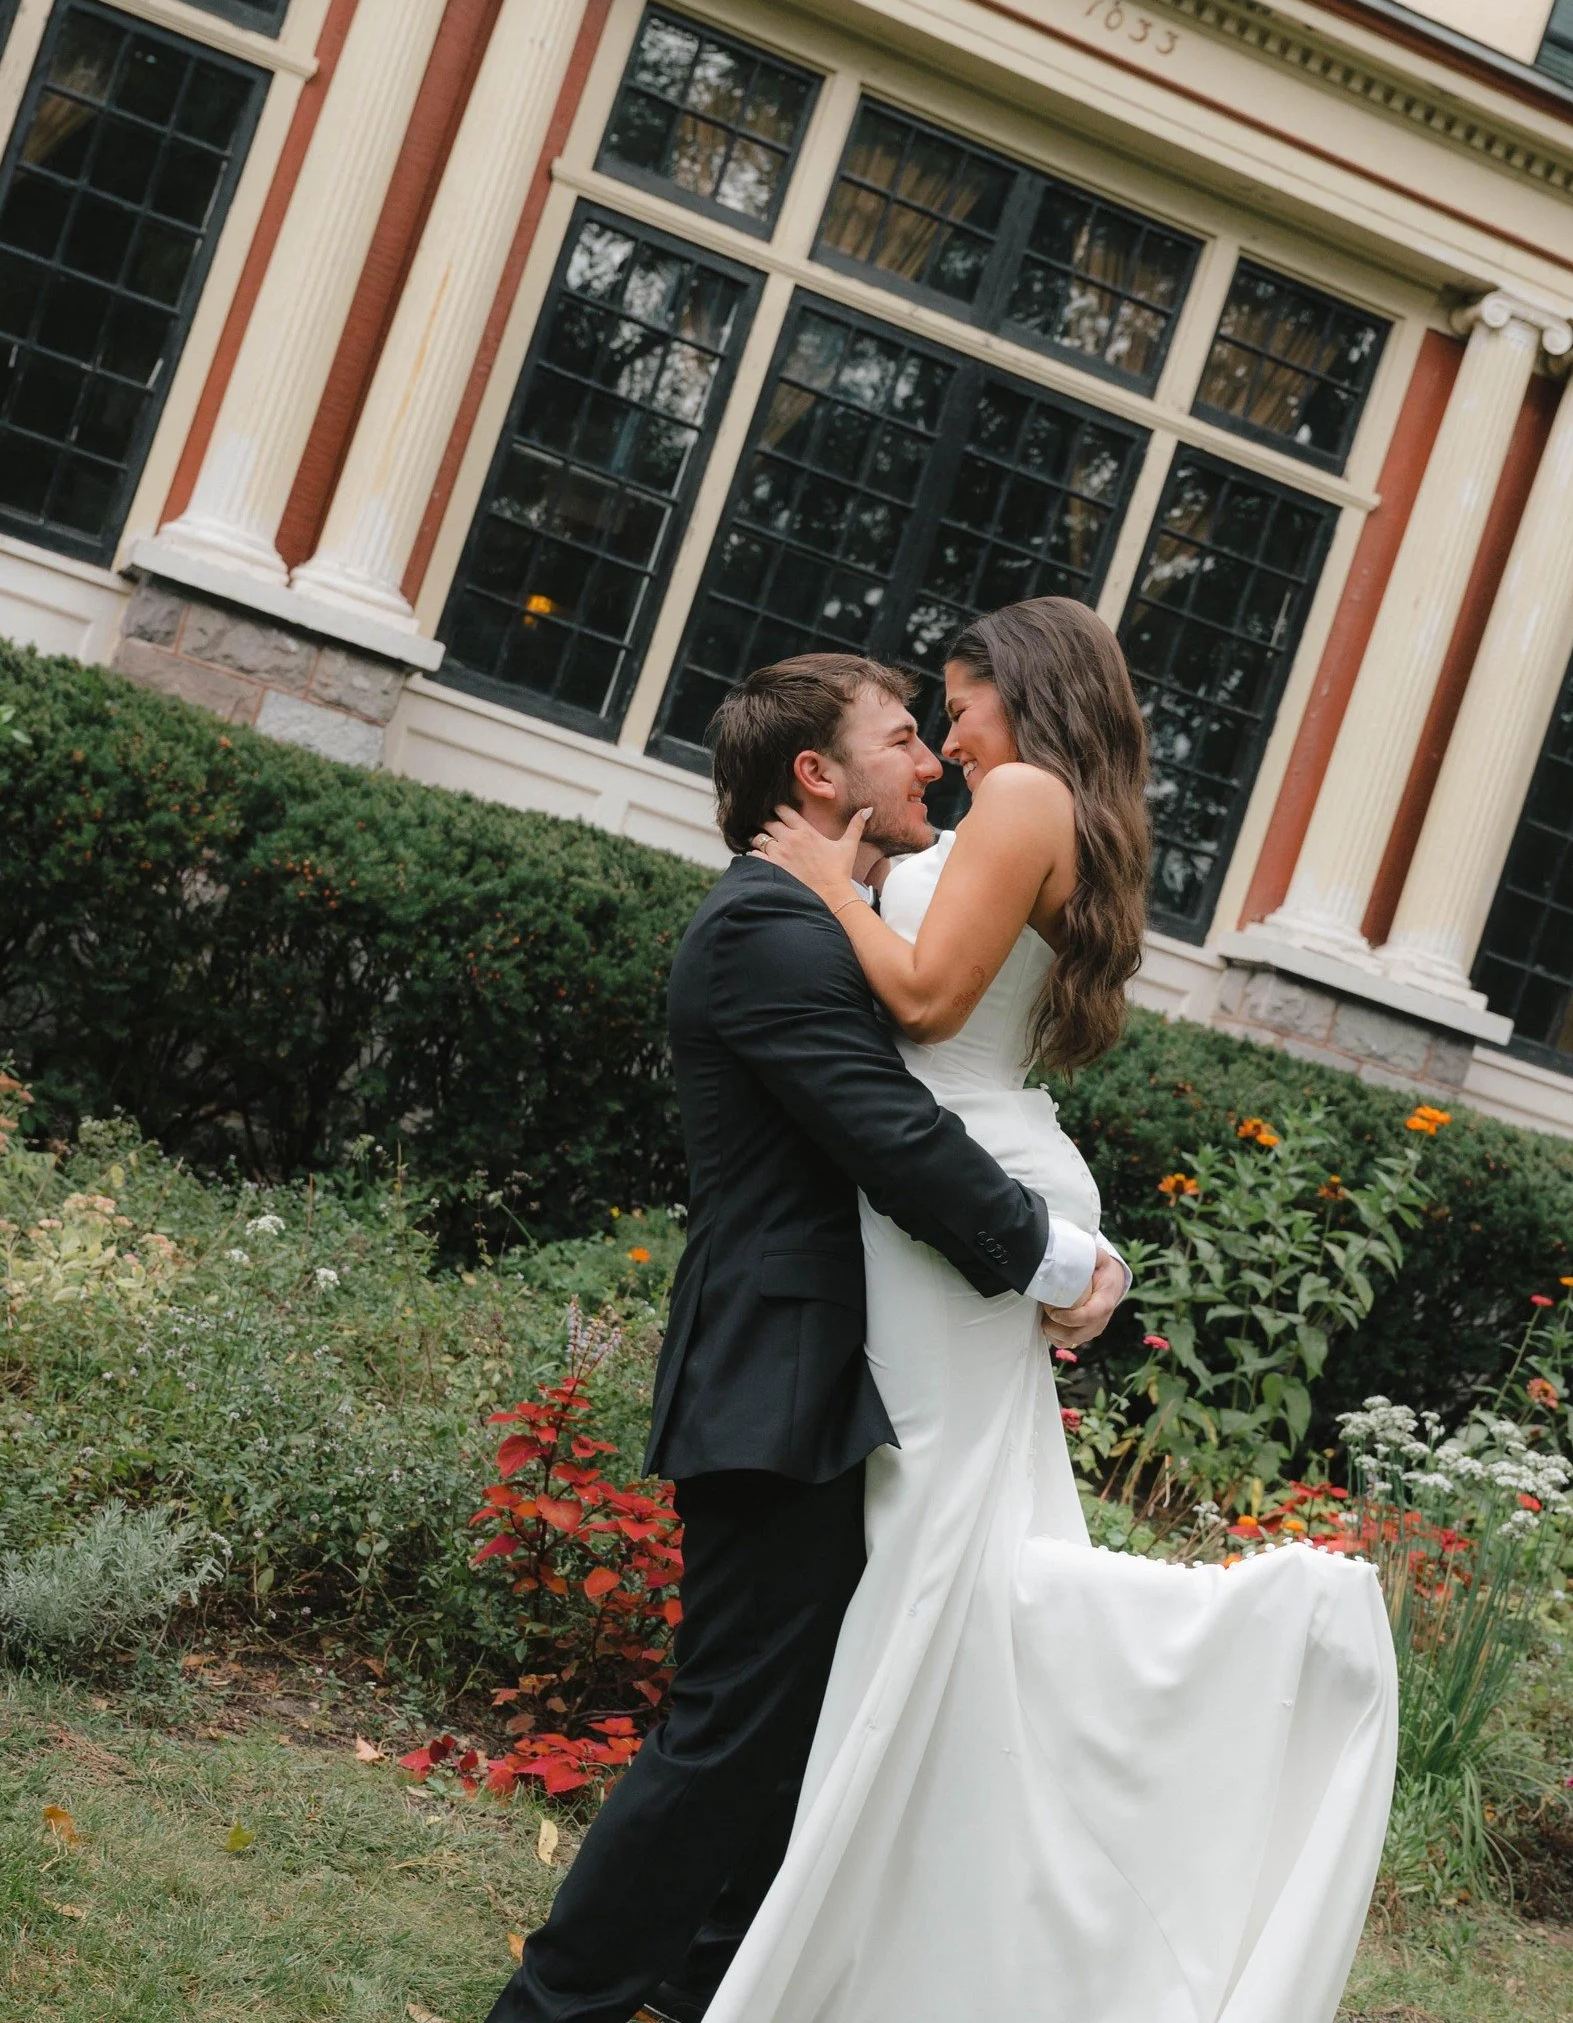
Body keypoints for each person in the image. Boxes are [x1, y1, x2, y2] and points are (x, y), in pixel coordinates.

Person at [704, 594, 1398, 2023]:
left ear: (1018, 693)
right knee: (942, 1543)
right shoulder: (1025, 808)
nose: (949, 738)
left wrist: (818, 881)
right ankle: (896, 1921)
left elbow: (923, 996)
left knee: (937, 1544)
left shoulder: (1024, 793)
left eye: (954, 703)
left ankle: (1270, 1635)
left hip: (954, 1178)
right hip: (968, 1167)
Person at [483, 650, 1130, 2023]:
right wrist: (1061, 1258)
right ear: (819, 776)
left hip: (838, 1377)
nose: (935, 763)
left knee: (786, 1740)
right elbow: (891, 1134)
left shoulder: (814, 918)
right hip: (775, 1380)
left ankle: (710, 1991)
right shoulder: (768, 932)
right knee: (727, 1736)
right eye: (906, 739)